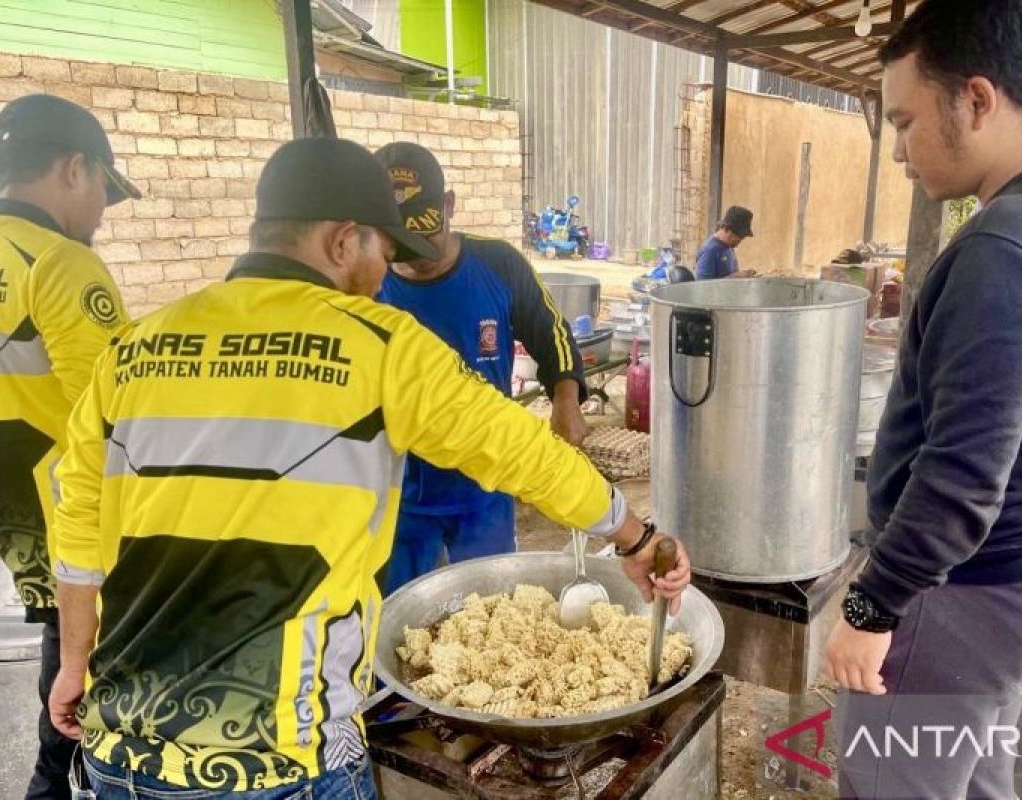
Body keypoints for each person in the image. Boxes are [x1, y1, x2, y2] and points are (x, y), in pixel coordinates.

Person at [48, 136, 692, 800]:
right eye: (383, 253)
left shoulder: (132, 349)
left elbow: (77, 525)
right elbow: (525, 454)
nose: (384, 275)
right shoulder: (381, 346)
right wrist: (637, 538)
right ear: (342, 241)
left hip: (118, 751)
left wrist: (73, 662)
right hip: (280, 763)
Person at [825, 1, 1022, 796]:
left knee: (894, 783)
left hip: (963, 591)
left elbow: (961, 476)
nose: (898, 152)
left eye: (905, 120)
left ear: (978, 100)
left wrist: (872, 607)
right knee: (973, 766)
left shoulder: (1008, 247)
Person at [0, 93, 138, 800]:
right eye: (103, 186)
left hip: (10, 515)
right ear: (75, 169)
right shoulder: (61, 263)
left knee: (56, 645)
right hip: (79, 522)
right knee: (79, 676)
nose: (103, 210)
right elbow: (122, 420)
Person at [372, 141, 588, 597]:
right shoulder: (368, 284)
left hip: (487, 483)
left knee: (491, 607)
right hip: (400, 490)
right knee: (402, 615)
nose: (416, 252)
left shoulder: (497, 262)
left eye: (426, 234)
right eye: (401, 243)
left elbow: (551, 331)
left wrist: (566, 398)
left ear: (448, 205)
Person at [694, 205, 756, 279]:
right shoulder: (710, 251)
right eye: (739, 235)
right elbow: (703, 286)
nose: (740, 239)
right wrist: (734, 277)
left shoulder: (729, 247)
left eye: (743, 236)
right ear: (726, 229)